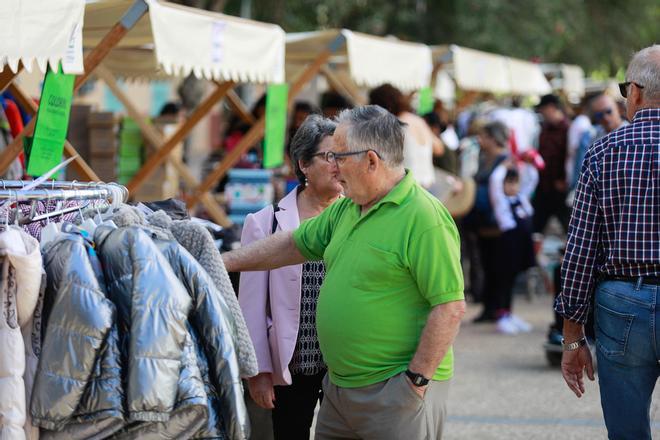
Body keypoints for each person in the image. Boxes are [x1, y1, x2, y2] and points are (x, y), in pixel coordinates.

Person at [224, 105, 465, 439]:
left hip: (394, 393)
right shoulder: (349, 208)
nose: (333, 168)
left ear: (371, 160)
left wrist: (416, 382)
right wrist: (221, 262)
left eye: (339, 157)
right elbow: (290, 245)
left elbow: (450, 307)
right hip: (340, 392)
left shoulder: (424, 218)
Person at [555, 44, 660, 440]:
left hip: (621, 304)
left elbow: (581, 250)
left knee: (627, 432)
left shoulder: (603, 150)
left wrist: (572, 338)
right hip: (622, 302)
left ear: (634, 92)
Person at [239, 115, 342, 439]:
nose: (339, 165)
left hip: (344, 362)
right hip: (292, 363)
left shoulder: (358, 216)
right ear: (304, 164)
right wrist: (258, 373)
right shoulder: (265, 222)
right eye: (329, 156)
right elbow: (251, 308)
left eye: (343, 155)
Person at [467, 121, 510, 323]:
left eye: (483, 136)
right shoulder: (486, 159)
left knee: (498, 266)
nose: (480, 140)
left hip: (498, 223)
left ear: (493, 138)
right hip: (483, 222)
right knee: (487, 264)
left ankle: (499, 308)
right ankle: (489, 307)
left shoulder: (505, 161)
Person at [489, 163, 538, 334]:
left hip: (521, 247)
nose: (512, 187)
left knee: (512, 281)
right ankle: (502, 316)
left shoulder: (522, 199)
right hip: (508, 248)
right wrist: (503, 165)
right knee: (504, 280)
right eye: (508, 183)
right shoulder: (501, 203)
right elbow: (495, 182)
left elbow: (531, 180)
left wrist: (528, 162)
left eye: (515, 183)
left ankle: (509, 314)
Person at [369, 84, 444, 189]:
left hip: (409, 188)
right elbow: (439, 148)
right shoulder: (419, 121)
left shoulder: (395, 125)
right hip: (429, 184)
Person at [533, 94, 570, 234]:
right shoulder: (544, 129)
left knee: (569, 227)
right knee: (536, 227)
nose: (541, 112)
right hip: (543, 185)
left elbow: (569, 157)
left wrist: (563, 179)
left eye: (543, 109)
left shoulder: (568, 129)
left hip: (559, 188)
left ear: (552, 108)